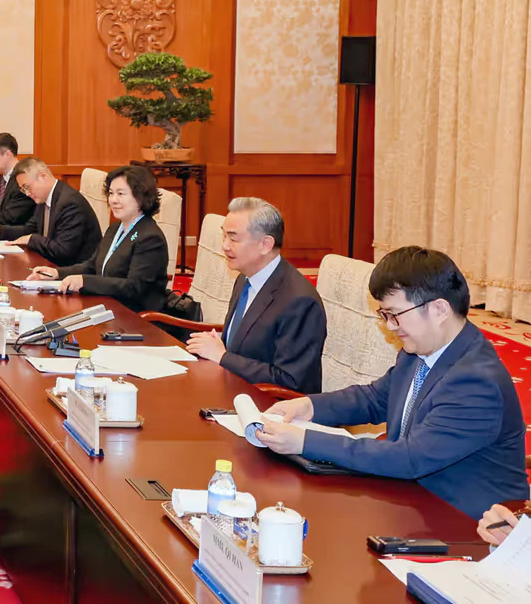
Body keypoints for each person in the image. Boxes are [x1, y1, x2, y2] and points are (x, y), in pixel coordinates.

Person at [255, 247, 529, 519]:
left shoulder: (476, 382)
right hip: (411, 501)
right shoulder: (420, 351)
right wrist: (307, 406)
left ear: (439, 309)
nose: (390, 326)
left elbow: (411, 458)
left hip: (466, 525)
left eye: (395, 314)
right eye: (384, 315)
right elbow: (375, 399)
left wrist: (305, 441)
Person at [185, 198, 326, 393]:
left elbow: (290, 381)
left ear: (265, 244)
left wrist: (223, 356)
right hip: (233, 389)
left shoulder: (299, 301)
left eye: (233, 238)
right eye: (224, 236)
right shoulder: (245, 278)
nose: (225, 246)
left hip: (272, 408)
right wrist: (220, 343)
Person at [28, 165, 169, 313]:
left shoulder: (150, 237)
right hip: (106, 306)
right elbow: (92, 266)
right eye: (111, 193)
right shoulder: (115, 229)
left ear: (141, 197)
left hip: (134, 317)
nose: (113, 200)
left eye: (121, 194)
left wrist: (85, 282)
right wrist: (57, 273)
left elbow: (133, 287)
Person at [0, 157, 101, 266]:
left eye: (27, 187)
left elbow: (63, 250)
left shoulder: (69, 203)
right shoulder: (44, 197)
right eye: (23, 190)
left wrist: (32, 239)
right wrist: (0, 230)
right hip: (52, 265)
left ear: (43, 176)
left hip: (74, 274)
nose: (27, 194)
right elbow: (32, 228)